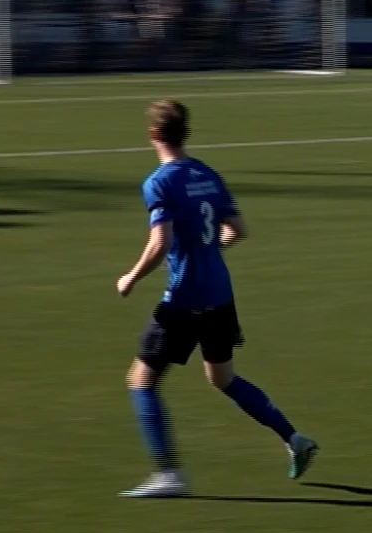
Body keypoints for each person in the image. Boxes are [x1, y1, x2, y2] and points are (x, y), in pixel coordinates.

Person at [115, 99, 318, 497]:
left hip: (184, 300)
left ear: (153, 135)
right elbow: (237, 229)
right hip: (221, 296)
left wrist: (132, 277)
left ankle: (168, 474)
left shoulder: (159, 182)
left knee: (140, 381)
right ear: (184, 132)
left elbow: (161, 241)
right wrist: (209, 249)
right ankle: (293, 439)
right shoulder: (208, 175)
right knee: (222, 378)